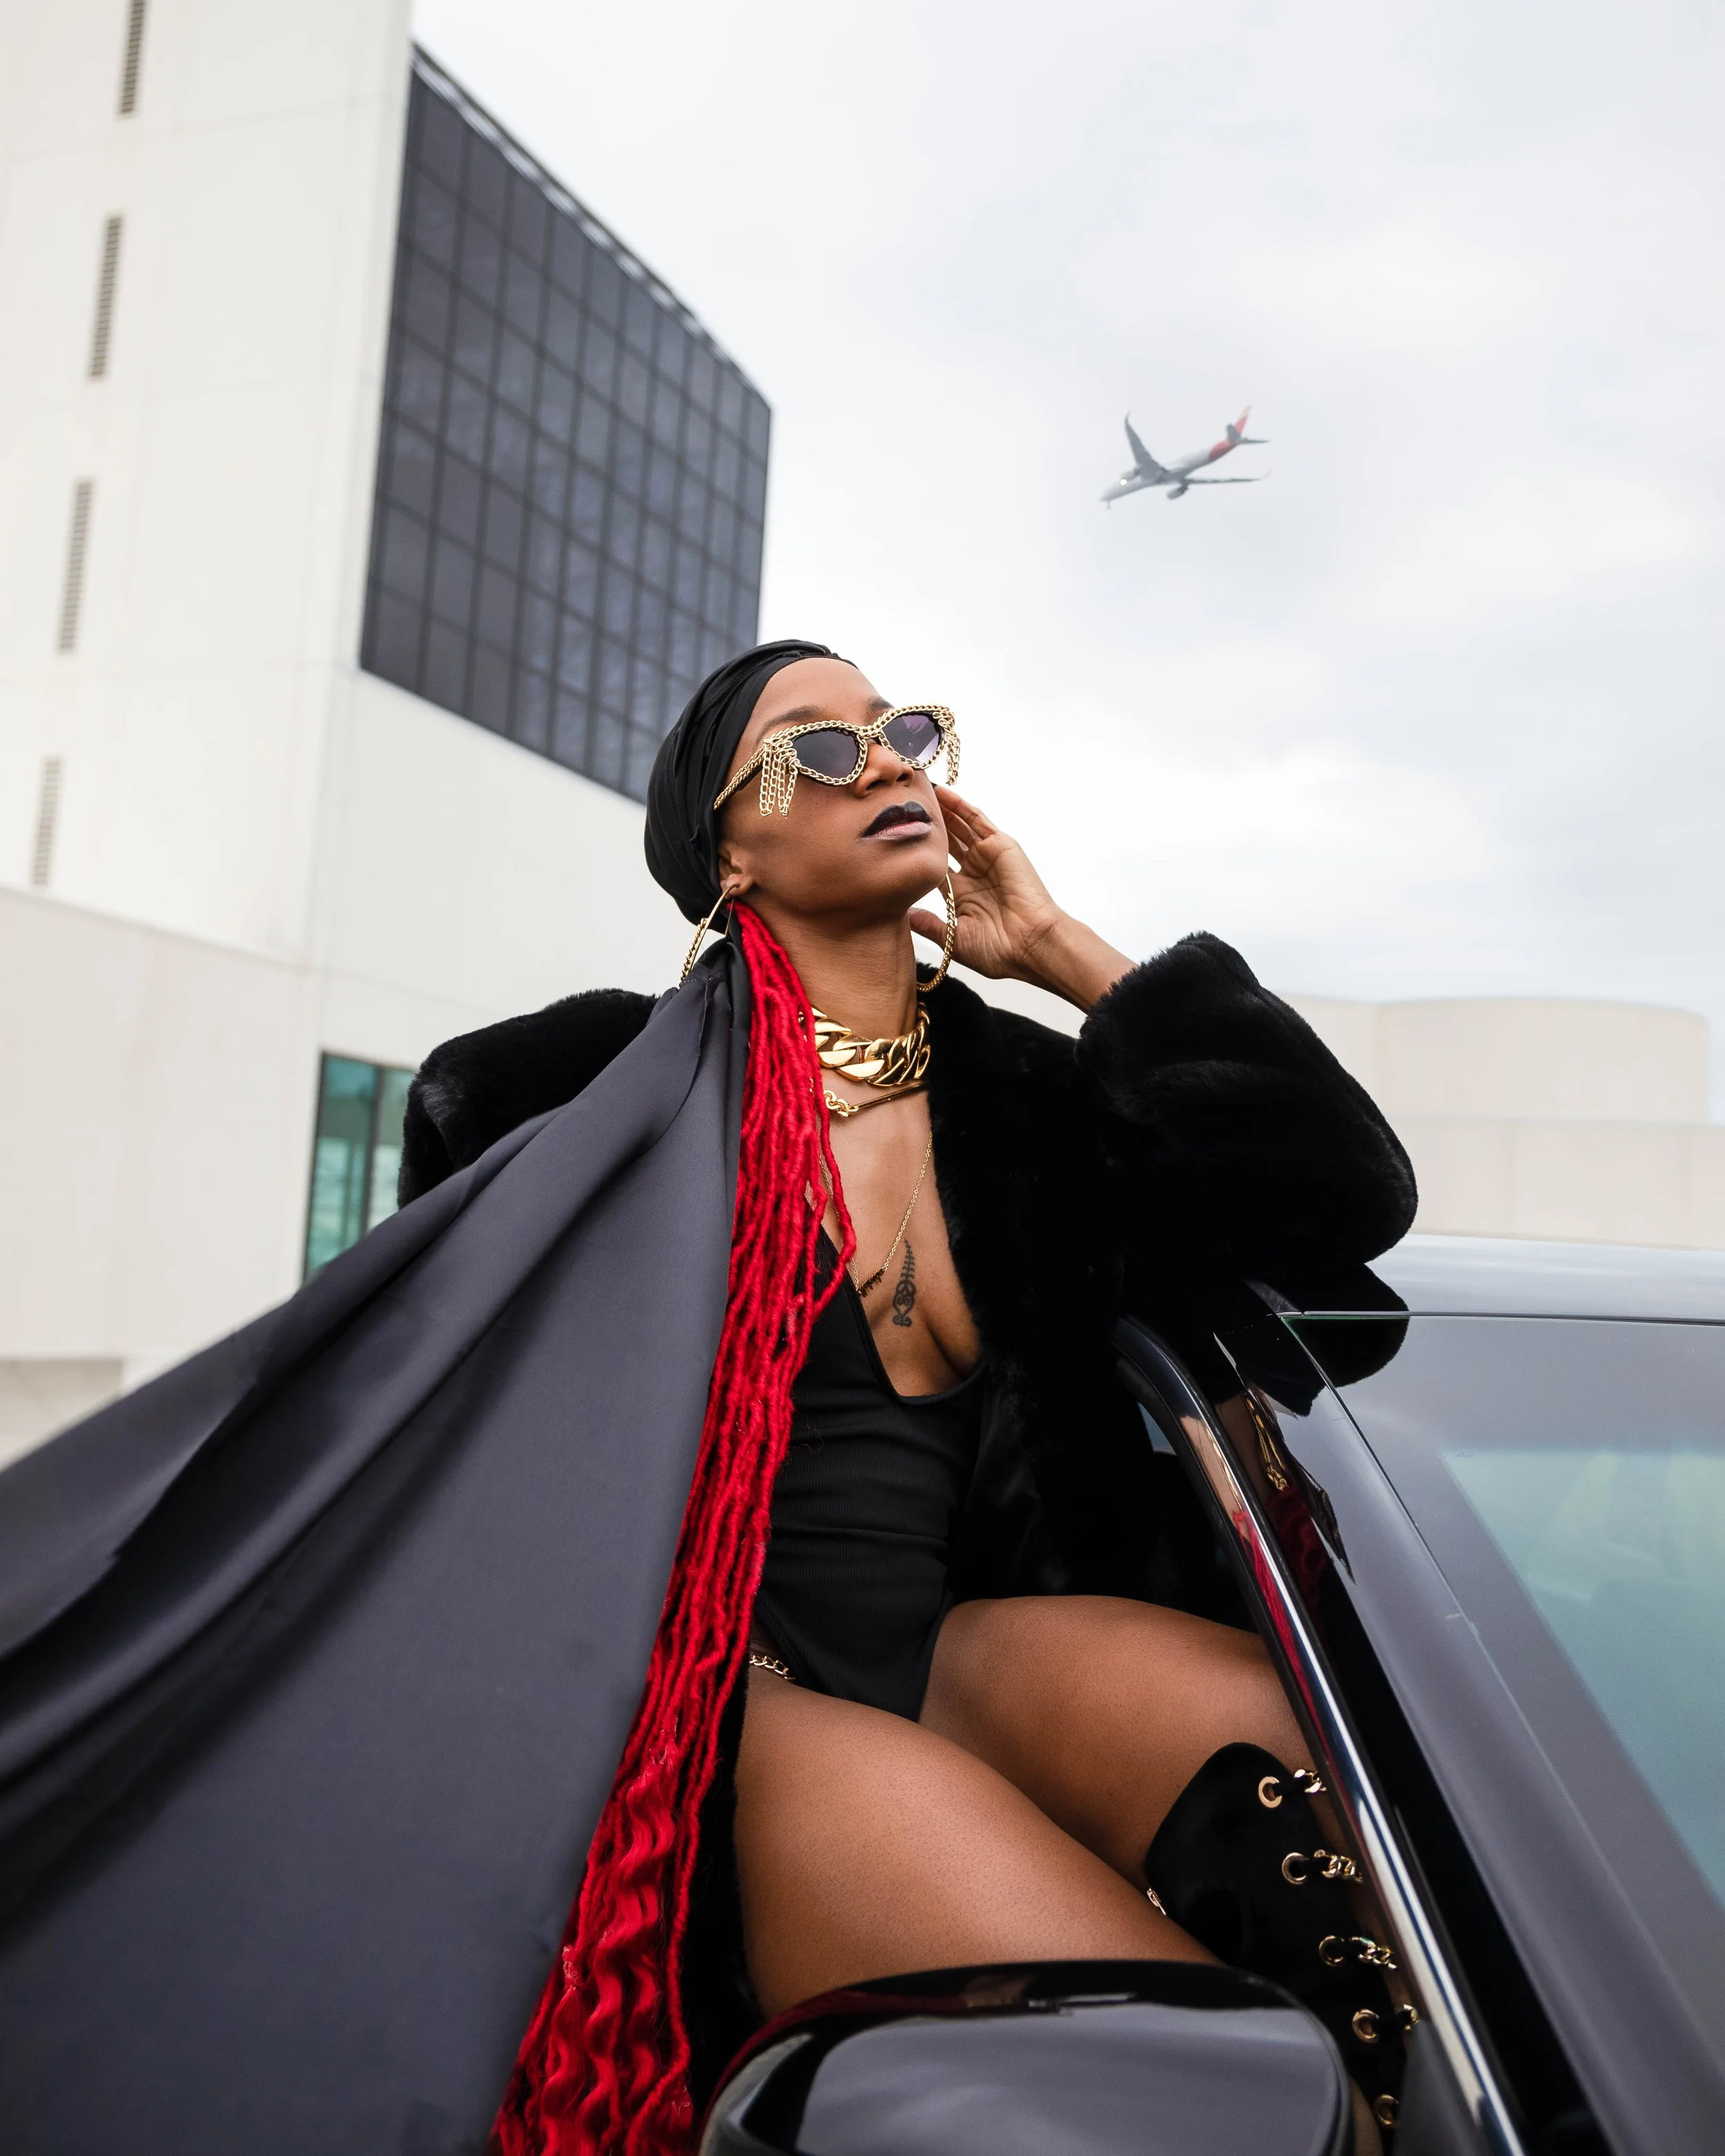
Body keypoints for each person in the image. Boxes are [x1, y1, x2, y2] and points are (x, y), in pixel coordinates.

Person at [400, 639, 1417, 2146]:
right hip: (729, 1702)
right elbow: (430, 1454)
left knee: (1361, 1826)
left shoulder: (1031, 1100)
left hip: (972, 1658)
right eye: (816, 748)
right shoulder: (571, 1095)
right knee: (1208, 2091)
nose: (883, 760)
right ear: (724, 848)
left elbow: (1344, 1190)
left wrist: (1069, 953)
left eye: (902, 731)